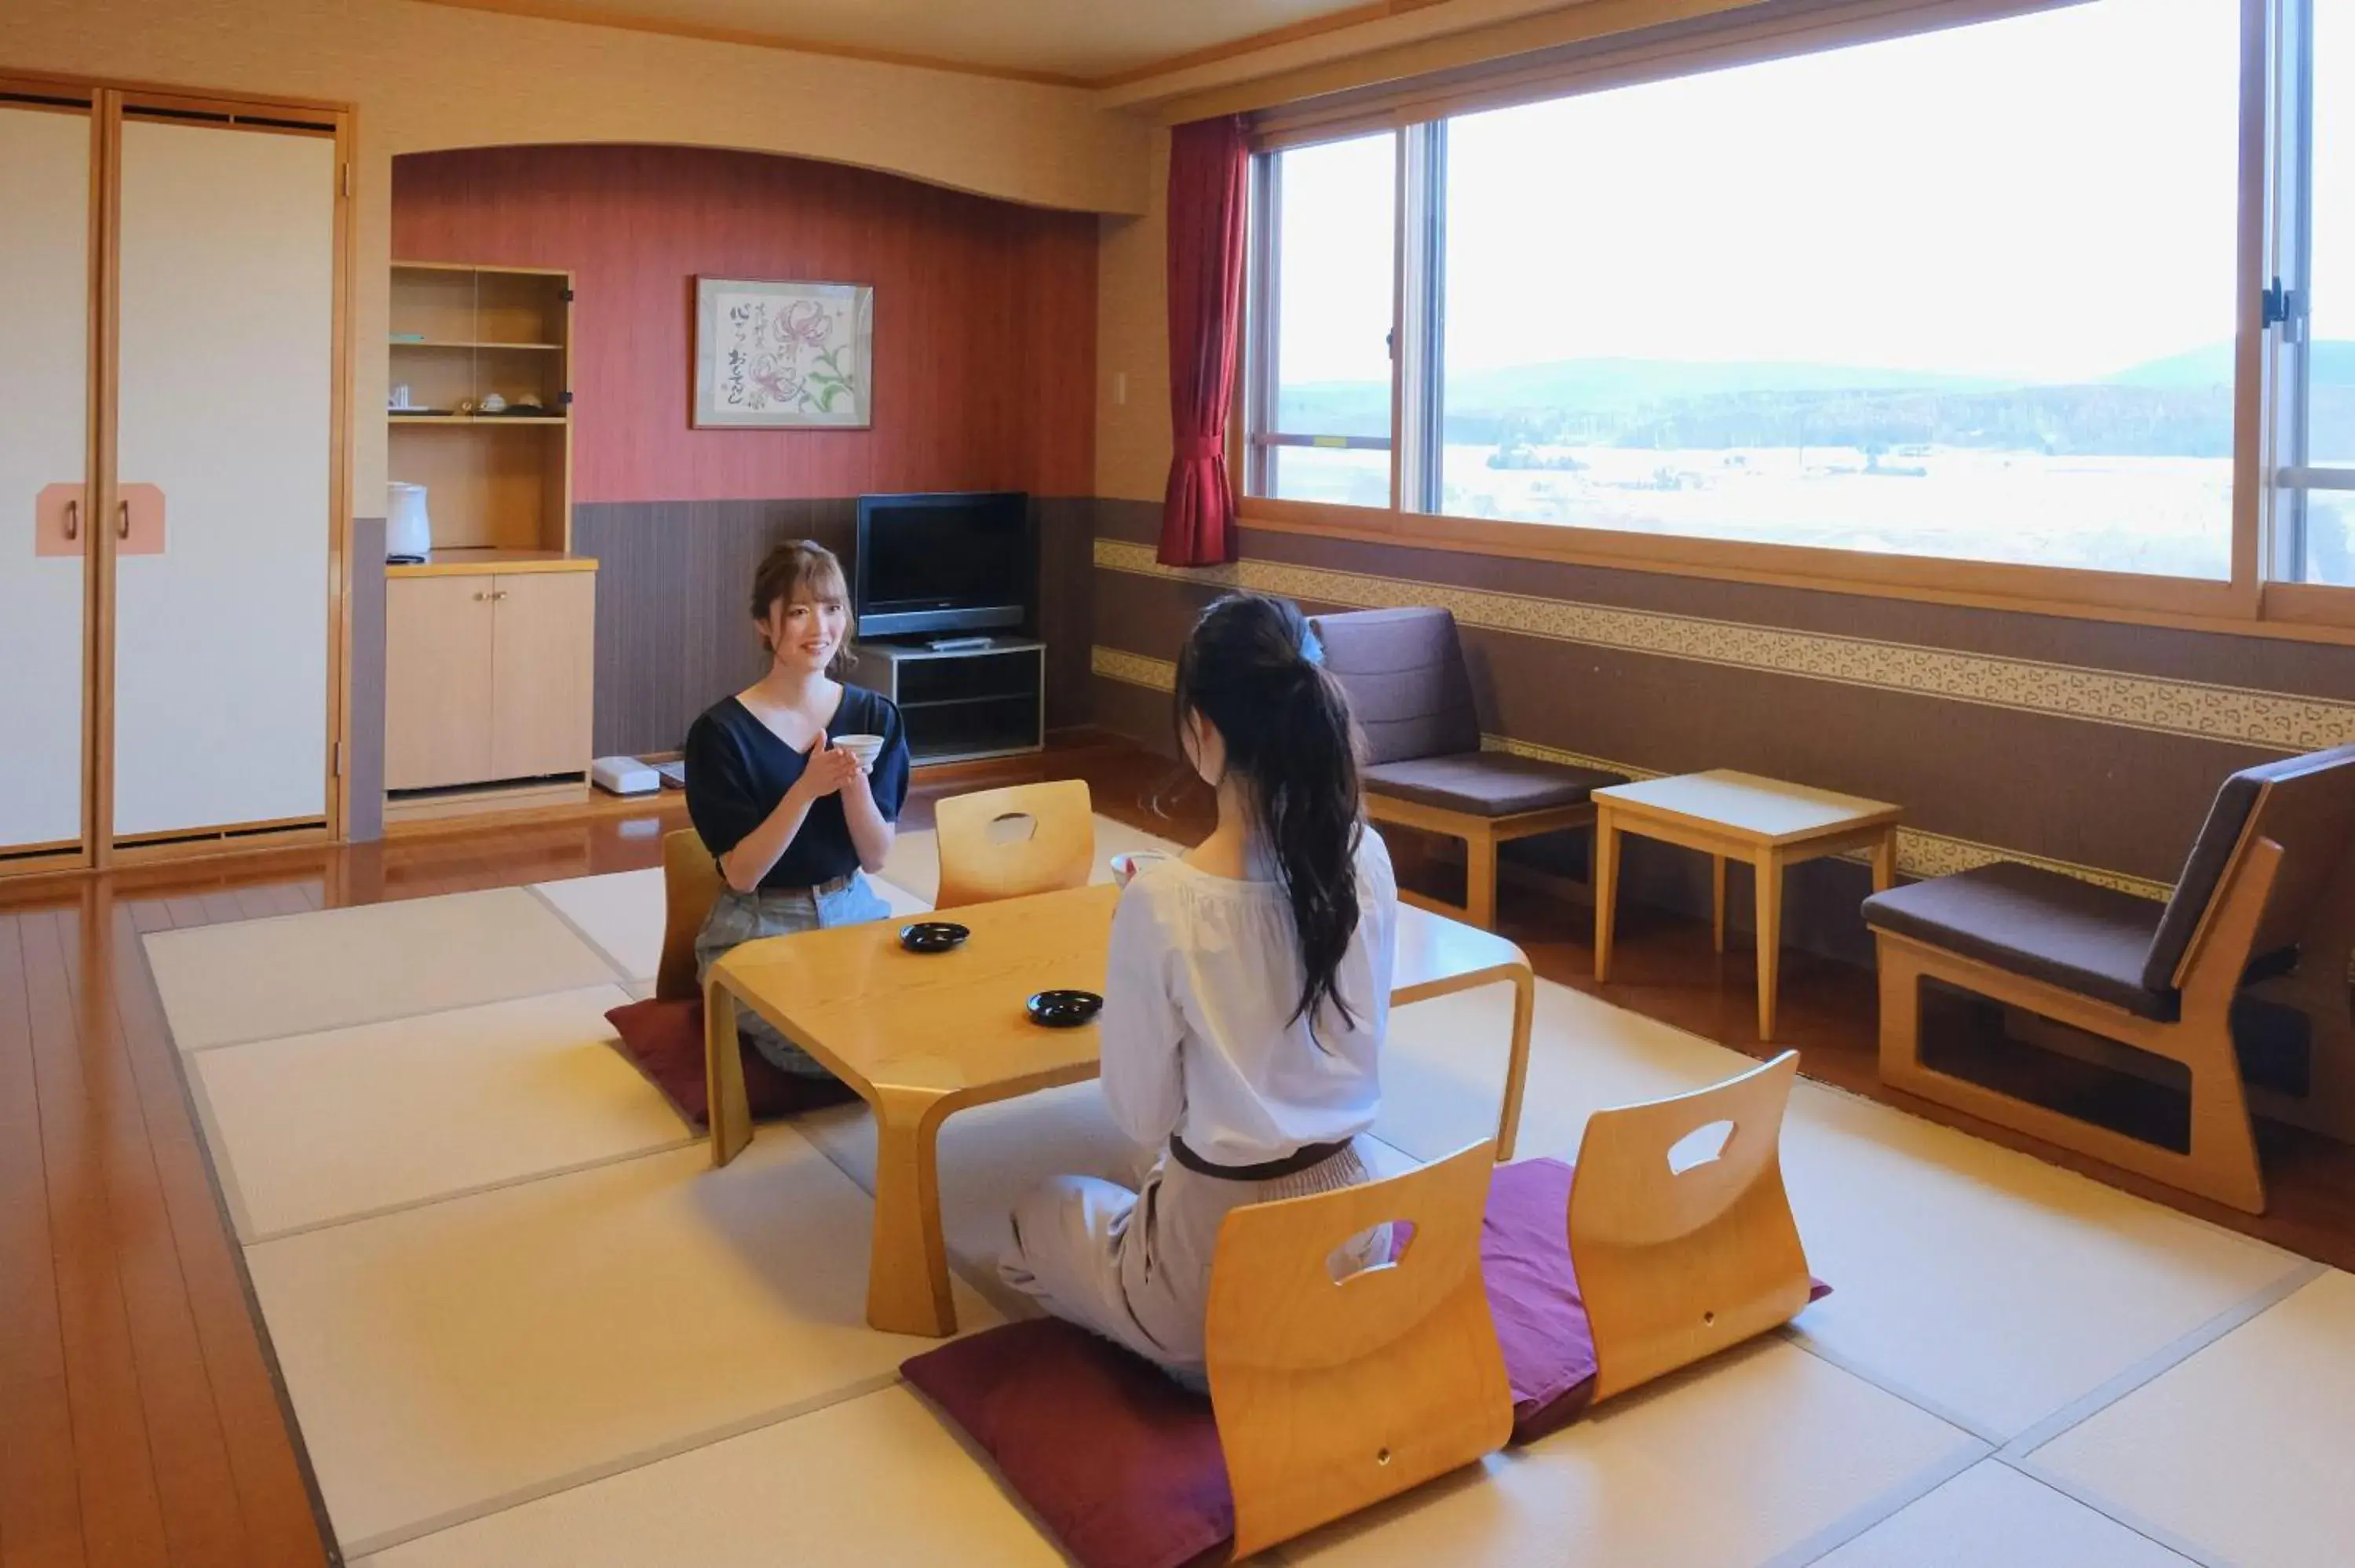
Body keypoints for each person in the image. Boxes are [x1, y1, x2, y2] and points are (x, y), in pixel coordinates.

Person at [1000, 592, 1398, 1386]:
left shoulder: (1164, 899)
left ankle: (1181, 1365)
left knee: (1027, 1221)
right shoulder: (1366, 858)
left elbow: (1140, 1114)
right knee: (1149, 1188)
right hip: (1361, 1240)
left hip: (1213, 1276)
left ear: (1203, 732)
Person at [684, 538, 910, 1082]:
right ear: (765, 623)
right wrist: (806, 789)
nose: (820, 628)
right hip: (758, 926)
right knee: (818, 1048)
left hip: (851, 910)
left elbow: (877, 858)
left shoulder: (874, 714)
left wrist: (851, 784)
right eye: (800, 612)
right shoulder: (720, 733)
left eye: (832, 609)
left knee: (916, 1016)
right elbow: (741, 873)